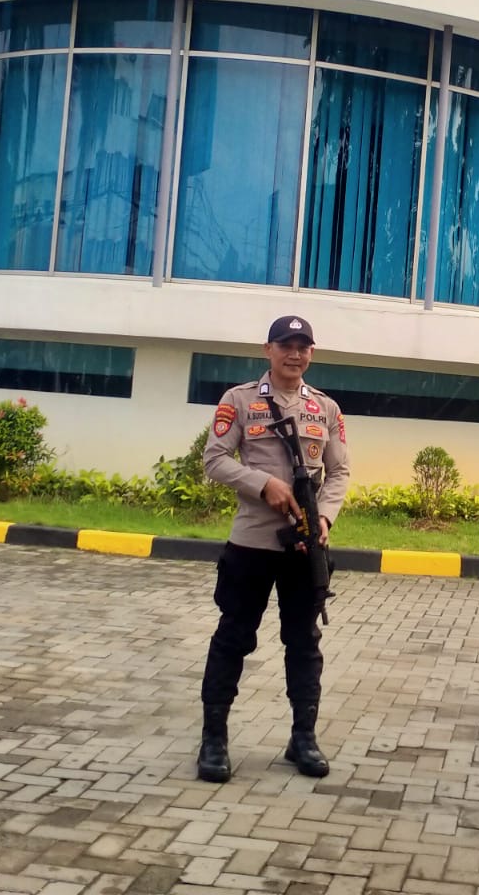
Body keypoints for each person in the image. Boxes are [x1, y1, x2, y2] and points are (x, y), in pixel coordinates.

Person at [196, 314, 350, 783]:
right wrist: (263, 484)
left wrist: (324, 516)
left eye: (303, 346)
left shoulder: (325, 408)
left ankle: (303, 737)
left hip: (305, 548)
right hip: (252, 543)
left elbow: (339, 472)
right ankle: (213, 740)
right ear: (269, 350)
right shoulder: (240, 400)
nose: (294, 354)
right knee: (233, 637)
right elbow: (214, 460)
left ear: (311, 353)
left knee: (303, 642)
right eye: (286, 345)